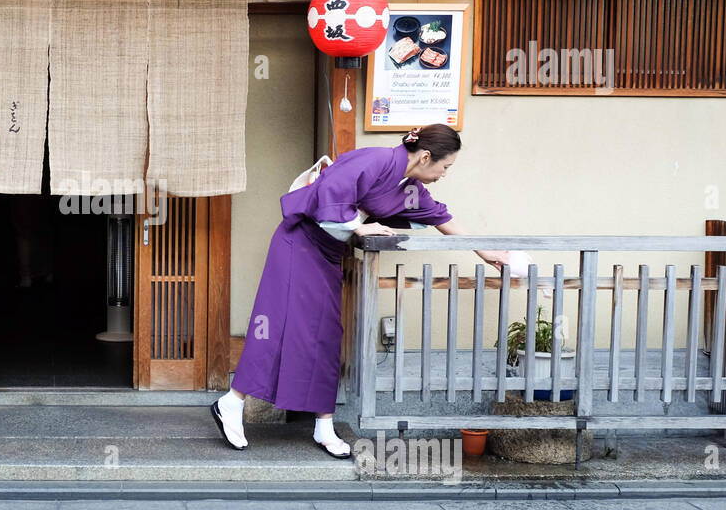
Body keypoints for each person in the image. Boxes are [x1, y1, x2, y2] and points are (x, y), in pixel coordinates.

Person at [211, 124, 510, 457]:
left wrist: (486, 252)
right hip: (298, 243)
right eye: (445, 166)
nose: (444, 174)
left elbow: (441, 218)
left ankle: (324, 425)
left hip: (326, 254)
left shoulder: (409, 188)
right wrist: (359, 226)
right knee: (276, 325)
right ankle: (232, 403)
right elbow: (329, 193)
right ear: (426, 157)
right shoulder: (375, 160)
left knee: (327, 333)